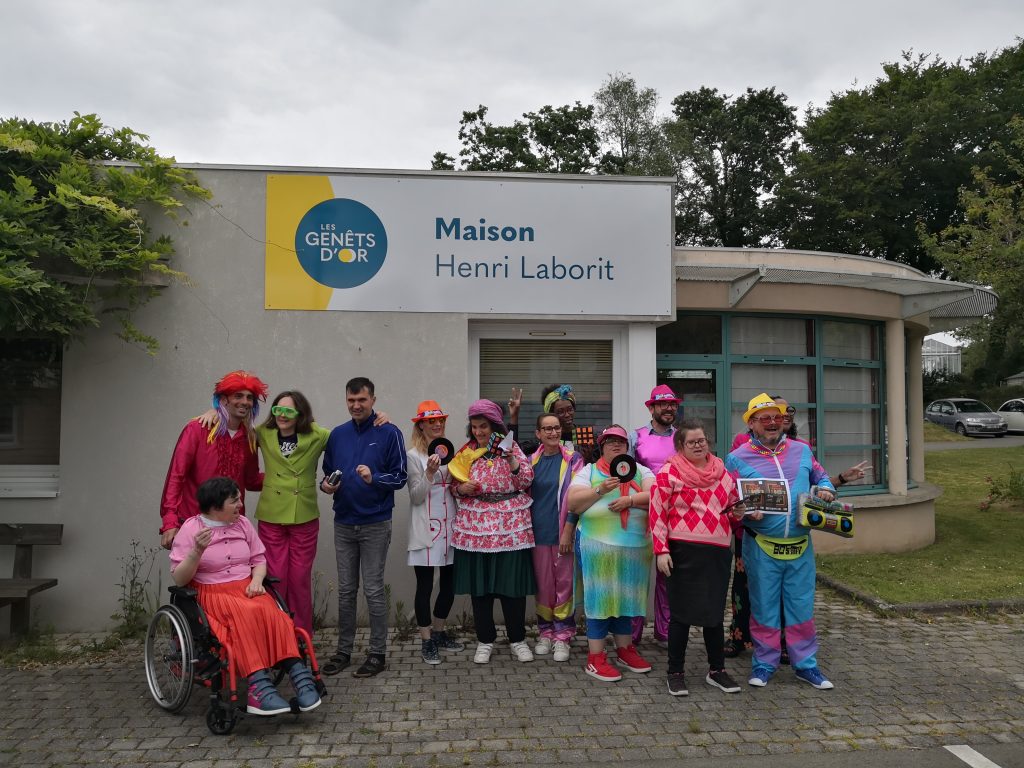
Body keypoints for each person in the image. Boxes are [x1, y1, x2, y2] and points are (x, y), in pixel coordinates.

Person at [724, 395, 869, 659]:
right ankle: (764, 664)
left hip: (800, 547)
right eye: (765, 418)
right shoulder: (735, 458)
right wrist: (740, 512)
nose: (772, 423)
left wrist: (825, 490)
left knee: (801, 607)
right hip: (760, 545)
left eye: (777, 417)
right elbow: (728, 501)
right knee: (764, 607)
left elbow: (821, 477)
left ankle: (806, 664)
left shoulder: (802, 450)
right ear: (752, 424)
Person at [169, 477, 320, 715]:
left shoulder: (242, 524)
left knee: (276, 615)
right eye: (234, 501)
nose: (240, 504)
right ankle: (258, 689)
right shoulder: (191, 529)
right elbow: (179, 578)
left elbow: (259, 560)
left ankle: (301, 677)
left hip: (247, 587)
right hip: (212, 592)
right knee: (247, 614)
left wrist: (258, 581)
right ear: (216, 507)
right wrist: (197, 551)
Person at [320, 377, 407, 678]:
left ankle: (377, 654)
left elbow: (400, 477)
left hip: (375, 523)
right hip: (344, 522)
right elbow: (329, 472)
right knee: (346, 591)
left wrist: (375, 478)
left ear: (373, 399)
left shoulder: (389, 432)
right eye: (351, 400)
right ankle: (343, 652)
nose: (356, 405)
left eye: (362, 400)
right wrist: (327, 486)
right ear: (346, 400)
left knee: (372, 590)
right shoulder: (337, 435)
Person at [650, 419, 743, 697]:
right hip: (682, 553)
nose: (699, 445)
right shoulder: (668, 474)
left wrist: (737, 513)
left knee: (714, 615)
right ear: (680, 446)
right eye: (692, 442)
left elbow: (730, 505)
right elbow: (657, 514)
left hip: (717, 552)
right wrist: (661, 550)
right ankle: (675, 673)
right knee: (680, 616)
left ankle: (717, 671)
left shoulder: (722, 472)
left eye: (702, 440)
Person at [450, 399, 536, 664]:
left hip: (509, 524)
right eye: (475, 427)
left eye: (483, 426)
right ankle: (485, 640)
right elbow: (454, 482)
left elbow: (525, 480)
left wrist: (510, 457)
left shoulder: (510, 448)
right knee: (481, 587)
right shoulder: (467, 452)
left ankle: (517, 639)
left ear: (495, 426)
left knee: (512, 586)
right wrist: (459, 489)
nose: (479, 432)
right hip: (476, 527)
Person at [567, 425, 655, 682]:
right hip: (597, 545)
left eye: (620, 442)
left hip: (635, 549)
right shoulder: (590, 471)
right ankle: (595, 657)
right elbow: (572, 503)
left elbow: (657, 494)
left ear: (627, 446)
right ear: (601, 447)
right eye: (609, 442)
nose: (615, 446)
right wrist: (601, 490)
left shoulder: (641, 470)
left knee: (626, 598)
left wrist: (630, 501)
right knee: (600, 598)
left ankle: (625, 650)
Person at [160, 371, 266, 550]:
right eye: (238, 396)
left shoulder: (249, 438)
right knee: (193, 576)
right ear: (223, 399)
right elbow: (176, 476)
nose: (245, 402)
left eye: (249, 398)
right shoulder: (198, 429)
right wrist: (170, 521)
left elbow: (251, 480)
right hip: (195, 523)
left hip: (232, 526)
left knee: (233, 575)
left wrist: (285, 477)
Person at [406, 400, 464, 664]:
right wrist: (429, 473)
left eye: (440, 420)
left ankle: (439, 632)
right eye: (431, 421)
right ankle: (427, 640)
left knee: (450, 584)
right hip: (425, 527)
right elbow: (416, 497)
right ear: (421, 425)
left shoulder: (450, 452)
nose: (438, 424)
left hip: (452, 525)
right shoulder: (413, 456)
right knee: (425, 585)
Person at [628, 384, 682, 648]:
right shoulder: (634, 437)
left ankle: (665, 631)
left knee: (668, 574)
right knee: (637, 576)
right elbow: (625, 474)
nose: (669, 408)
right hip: (641, 512)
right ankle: (631, 634)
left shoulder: (683, 437)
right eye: (663, 404)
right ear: (651, 408)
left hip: (674, 514)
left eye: (673, 404)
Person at [529, 412, 585, 662]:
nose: (553, 432)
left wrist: (569, 529)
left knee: (564, 584)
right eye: (547, 429)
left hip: (563, 533)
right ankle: (545, 632)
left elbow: (577, 498)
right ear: (538, 434)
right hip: (537, 533)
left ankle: (563, 635)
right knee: (544, 586)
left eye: (556, 428)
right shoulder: (531, 460)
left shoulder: (573, 460)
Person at [508, 384, 598, 464]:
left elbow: (597, 466)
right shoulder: (546, 439)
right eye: (560, 412)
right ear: (551, 415)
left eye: (570, 409)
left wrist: (589, 459)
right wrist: (514, 417)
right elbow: (513, 450)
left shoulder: (584, 435)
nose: (567, 415)